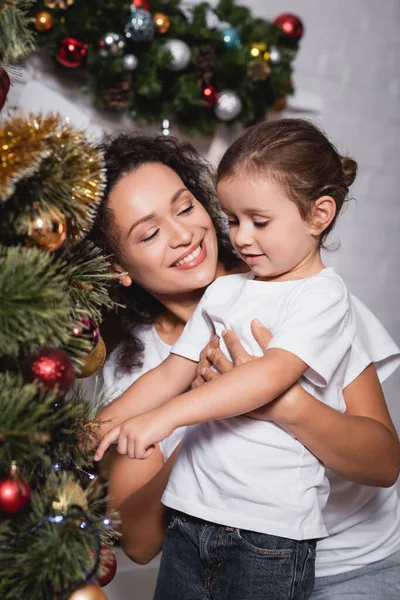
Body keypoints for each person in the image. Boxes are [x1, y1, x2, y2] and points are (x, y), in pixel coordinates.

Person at [93, 120, 400, 599]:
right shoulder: (144, 360)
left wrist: (275, 403)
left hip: (351, 564)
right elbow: (138, 541)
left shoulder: (305, 296)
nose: (182, 235)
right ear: (117, 266)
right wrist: (203, 426)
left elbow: (384, 464)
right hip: (207, 550)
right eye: (150, 232)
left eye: (186, 207)